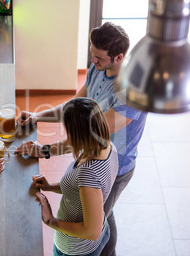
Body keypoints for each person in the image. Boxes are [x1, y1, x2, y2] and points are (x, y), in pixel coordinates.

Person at [15, 22, 147, 256]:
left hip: (114, 166)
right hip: (96, 156)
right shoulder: (98, 68)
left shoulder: (133, 91)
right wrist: (38, 117)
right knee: (103, 211)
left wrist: (44, 151)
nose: (93, 62)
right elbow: (74, 107)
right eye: (92, 55)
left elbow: (89, 134)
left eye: (99, 58)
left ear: (119, 57)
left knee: (98, 219)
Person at [33, 97, 119, 256]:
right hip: (94, 237)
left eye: (69, 130)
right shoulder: (107, 147)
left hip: (75, 250)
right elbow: (79, 190)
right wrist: (49, 186)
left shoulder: (89, 173)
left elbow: (91, 231)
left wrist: (50, 220)